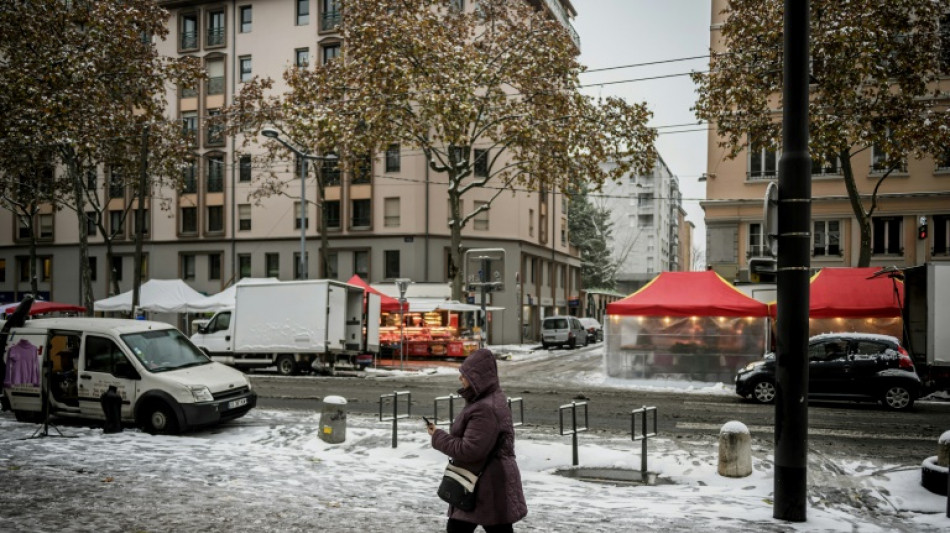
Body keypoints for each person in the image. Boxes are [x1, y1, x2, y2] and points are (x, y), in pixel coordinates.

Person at [427, 348, 527, 533]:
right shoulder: (485, 400)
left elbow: (469, 450)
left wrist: (437, 437)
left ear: (477, 378)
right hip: (484, 482)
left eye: (464, 374)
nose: (460, 378)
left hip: (487, 485)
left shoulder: (485, 408)